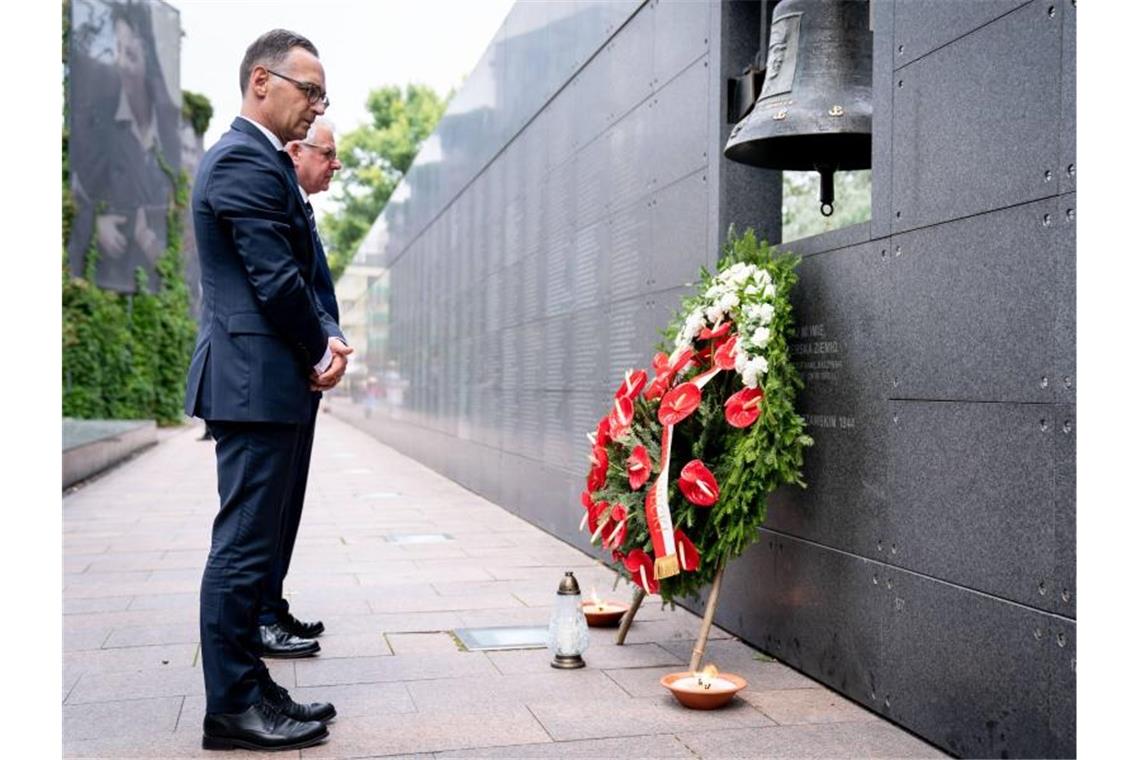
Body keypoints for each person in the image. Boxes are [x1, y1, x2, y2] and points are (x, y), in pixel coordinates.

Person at [183, 29, 352, 752]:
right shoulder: (242, 162)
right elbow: (275, 279)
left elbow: (289, 271)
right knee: (243, 549)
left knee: (254, 545)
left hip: (265, 383)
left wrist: (321, 338)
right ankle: (232, 707)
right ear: (262, 81)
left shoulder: (259, 163)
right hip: (254, 382)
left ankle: (255, 689)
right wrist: (319, 346)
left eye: (321, 95)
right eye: (308, 91)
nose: (315, 108)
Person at [256, 117, 344, 656]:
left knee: (285, 506)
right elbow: (284, 287)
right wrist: (319, 348)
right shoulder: (269, 193)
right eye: (328, 153)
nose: (335, 164)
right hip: (277, 378)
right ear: (296, 152)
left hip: (297, 380)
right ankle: (261, 616)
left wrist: (330, 338)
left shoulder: (301, 208)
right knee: (263, 514)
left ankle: (270, 607)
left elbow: (314, 292)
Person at [69, 0, 181, 291]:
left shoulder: (168, 128)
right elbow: (77, 189)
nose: (122, 64)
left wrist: (148, 236)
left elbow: (174, 216)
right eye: (117, 51)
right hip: (104, 278)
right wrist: (97, 223)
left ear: (148, 57)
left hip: (153, 283)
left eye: (129, 54)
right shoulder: (99, 119)